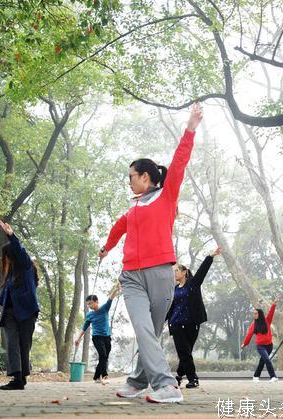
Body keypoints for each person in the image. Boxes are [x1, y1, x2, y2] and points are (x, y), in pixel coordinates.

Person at [99, 103, 203, 403]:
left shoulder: (167, 195)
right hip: (131, 276)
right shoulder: (133, 206)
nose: (129, 180)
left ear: (145, 177)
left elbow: (180, 162)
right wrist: (107, 247)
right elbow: (119, 227)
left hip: (160, 274)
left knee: (151, 332)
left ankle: (136, 380)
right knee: (144, 328)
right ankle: (167, 385)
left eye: (131, 175)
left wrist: (190, 129)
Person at [167, 247, 221, 389]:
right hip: (176, 325)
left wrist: (211, 256)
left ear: (184, 272)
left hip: (192, 324)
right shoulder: (174, 289)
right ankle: (193, 379)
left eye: (176, 271)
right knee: (184, 352)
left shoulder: (193, 284)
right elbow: (170, 308)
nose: (174, 273)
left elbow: (202, 271)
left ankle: (178, 376)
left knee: (186, 353)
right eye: (173, 272)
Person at [0, 219, 40, 390]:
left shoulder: (25, 265)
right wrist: (1, 303)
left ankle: (21, 378)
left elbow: (21, 252)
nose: (4, 261)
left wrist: (11, 236)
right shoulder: (11, 274)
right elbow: (8, 290)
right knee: (13, 343)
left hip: (27, 312)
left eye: (6, 257)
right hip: (10, 313)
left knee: (24, 344)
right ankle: (16, 377)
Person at [74, 283, 121, 384]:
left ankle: (96, 377)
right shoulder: (89, 315)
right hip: (97, 338)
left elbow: (110, 298)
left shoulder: (104, 309)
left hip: (107, 337)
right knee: (103, 355)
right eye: (88, 304)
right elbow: (84, 328)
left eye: (91, 303)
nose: (89, 306)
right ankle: (104, 376)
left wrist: (116, 289)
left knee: (104, 358)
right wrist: (78, 339)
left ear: (96, 302)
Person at [241, 296, 279, 383]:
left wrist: (274, 304)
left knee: (262, 362)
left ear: (260, 314)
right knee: (267, 360)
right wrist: (244, 344)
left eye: (255, 313)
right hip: (260, 346)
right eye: (253, 314)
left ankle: (255, 376)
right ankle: (273, 376)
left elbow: (271, 312)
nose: (254, 315)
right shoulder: (253, 324)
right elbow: (249, 335)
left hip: (269, 345)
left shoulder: (267, 321)